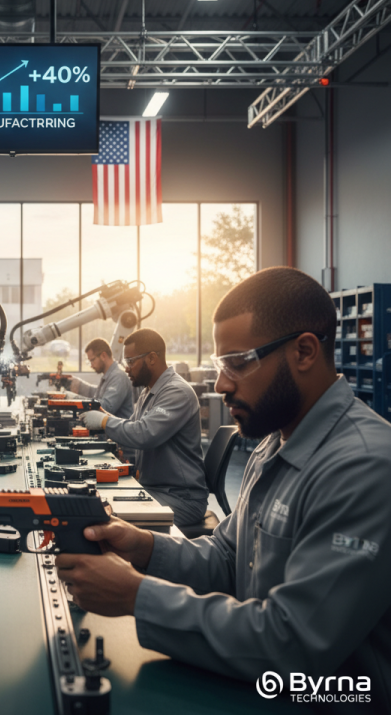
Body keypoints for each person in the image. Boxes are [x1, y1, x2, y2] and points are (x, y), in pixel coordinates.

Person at [56, 268, 391, 709]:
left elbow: (295, 644)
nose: (221, 384)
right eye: (220, 364)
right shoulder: (276, 440)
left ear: (305, 351)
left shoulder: (363, 467)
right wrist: (141, 546)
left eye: (238, 362)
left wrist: (137, 595)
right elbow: (228, 558)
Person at [79, 329, 208, 528]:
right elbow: (133, 427)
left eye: (130, 362)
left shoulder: (176, 392)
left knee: (107, 524)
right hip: (155, 489)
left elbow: (143, 434)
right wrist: (104, 416)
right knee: (95, 503)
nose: (127, 369)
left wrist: (104, 421)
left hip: (182, 499)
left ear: (152, 358)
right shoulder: (149, 391)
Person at [65, 338, 135, 419]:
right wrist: (79, 385)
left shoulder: (118, 377)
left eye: (92, 360)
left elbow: (105, 408)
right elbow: (96, 398)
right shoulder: (108, 376)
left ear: (103, 356)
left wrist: (74, 399)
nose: (91, 365)